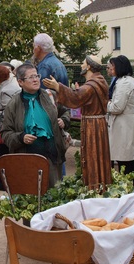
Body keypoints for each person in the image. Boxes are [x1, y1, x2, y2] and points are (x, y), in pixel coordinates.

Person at [43, 55, 113, 189]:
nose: (81, 65)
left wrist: (58, 87)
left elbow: (76, 98)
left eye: (83, 63)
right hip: (98, 124)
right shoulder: (99, 81)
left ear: (89, 67)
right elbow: (80, 95)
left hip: (93, 127)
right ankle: (99, 183)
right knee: (97, 155)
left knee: (93, 156)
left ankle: (94, 186)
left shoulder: (92, 85)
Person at [1, 63, 69, 188]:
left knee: (55, 192)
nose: (36, 79)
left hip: (52, 154)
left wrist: (64, 120)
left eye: (36, 75)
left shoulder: (51, 96)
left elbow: (65, 111)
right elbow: (5, 132)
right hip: (27, 157)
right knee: (31, 193)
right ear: (20, 82)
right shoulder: (13, 104)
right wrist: (21, 137)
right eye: (31, 77)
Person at [107, 55, 134, 185]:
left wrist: (104, 104)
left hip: (125, 127)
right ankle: (129, 188)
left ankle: (129, 190)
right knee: (127, 161)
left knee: (126, 162)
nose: (110, 69)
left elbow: (117, 107)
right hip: (126, 126)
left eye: (112, 66)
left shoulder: (125, 83)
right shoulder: (125, 81)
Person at [0, 65, 21, 191]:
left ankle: (4, 183)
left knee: (3, 156)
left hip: (9, 129)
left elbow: (11, 111)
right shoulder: (11, 86)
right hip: (12, 128)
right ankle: (4, 183)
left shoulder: (6, 90)